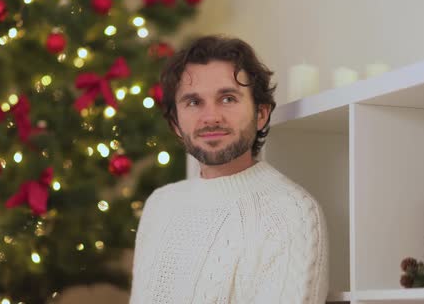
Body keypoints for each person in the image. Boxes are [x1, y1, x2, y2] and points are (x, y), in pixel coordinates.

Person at [129, 36, 329, 304]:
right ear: (176, 124)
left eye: (227, 99)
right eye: (193, 102)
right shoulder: (160, 205)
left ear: (261, 114)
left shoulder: (292, 214)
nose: (211, 117)